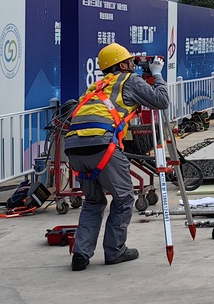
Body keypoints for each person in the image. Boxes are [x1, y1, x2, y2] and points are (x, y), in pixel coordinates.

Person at [64, 43, 169, 271]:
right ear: (122, 65)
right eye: (131, 63)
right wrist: (158, 74)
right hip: (103, 146)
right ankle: (115, 251)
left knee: (93, 201)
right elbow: (161, 101)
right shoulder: (129, 80)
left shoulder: (95, 86)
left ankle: (80, 255)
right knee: (123, 199)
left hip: (74, 147)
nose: (134, 66)